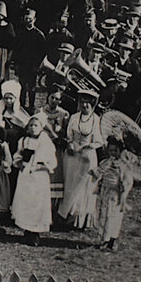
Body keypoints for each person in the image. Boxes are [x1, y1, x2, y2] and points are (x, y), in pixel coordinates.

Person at [58, 91, 103, 229]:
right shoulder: (74, 117)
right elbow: (69, 135)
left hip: (86, 157)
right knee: (70, 185)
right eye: (82, 102)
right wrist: (70, 143)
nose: (84, 105)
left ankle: (80, 219)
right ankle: (66, 216)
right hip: (72, 156)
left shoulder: (96, 119)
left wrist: (89, 146)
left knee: (83, 187)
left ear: (92, 104)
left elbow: (99, 141)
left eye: (87, 103)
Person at [11, 116, 58, 245]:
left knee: (37, 204)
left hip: (39, 177)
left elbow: (52, 162)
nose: (32, 128)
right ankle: (26, 230)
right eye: (30, 125)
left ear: (42, 127)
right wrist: (20, 164)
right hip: (25, 175)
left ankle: (35, 233)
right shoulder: (24, 140)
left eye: (36, 125)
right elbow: (17, 155)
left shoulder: (46, 142)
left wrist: (39, 166)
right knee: (26, 202)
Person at [91, 137, 133, 251]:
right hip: (105, 191)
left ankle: (112, 239)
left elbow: (128, 180)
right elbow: (98, 172)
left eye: (115, 151)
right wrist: (96, 175)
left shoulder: (123, 165)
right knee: (104, 215)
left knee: (113, 216)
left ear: (120, 151)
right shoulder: (106, 162)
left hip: (115, 194)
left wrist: (124, 186)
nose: (113, 153)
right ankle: (105, 239)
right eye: (110, 151)